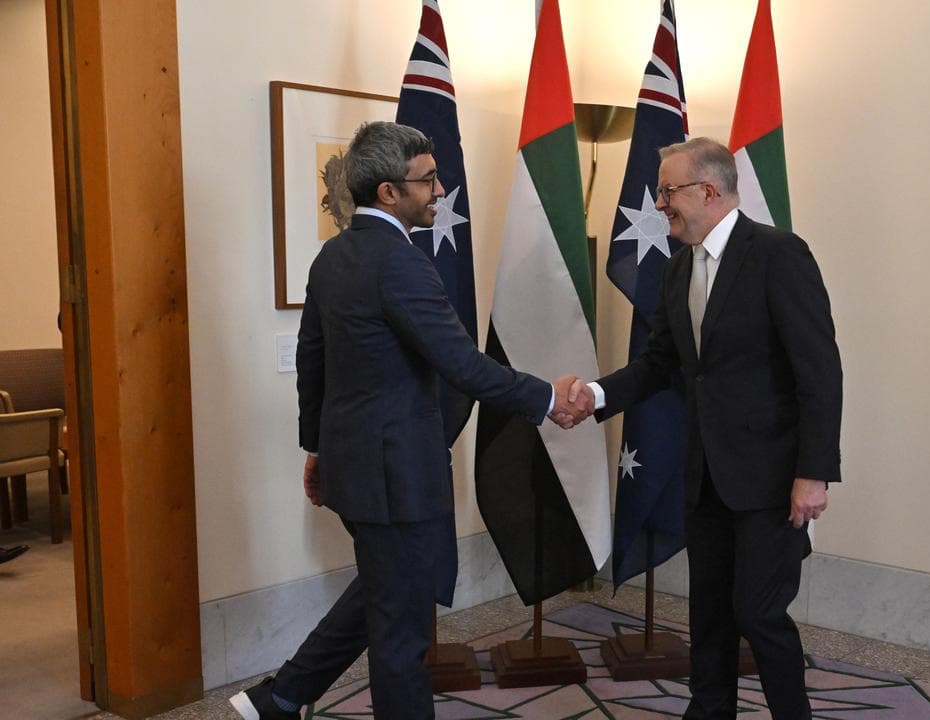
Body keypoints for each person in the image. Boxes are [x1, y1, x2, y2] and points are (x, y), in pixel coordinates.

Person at [231, 121, 581, 720]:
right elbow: (463, 366)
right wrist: (547, 398)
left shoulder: (332, 257)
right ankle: (283, 697)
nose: (441, 191)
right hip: (398, 479)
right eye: (427, 180)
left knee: (384, 592)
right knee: (402, 635)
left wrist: (316, 449)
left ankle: (282, 697)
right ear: (389, 192)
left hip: (355, 469)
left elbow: (314, 368)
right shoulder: (400, 264)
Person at [564, 137, 842, 719]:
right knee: (709, 614)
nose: (660, 202)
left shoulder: (777, 254)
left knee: (759, 614)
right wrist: (594, 395)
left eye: (668, 191)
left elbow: (819, 373)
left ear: (708, 191)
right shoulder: (677, 266)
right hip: (706, 478)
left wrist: (813, 474)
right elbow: (659, 362)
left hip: (771, 479)